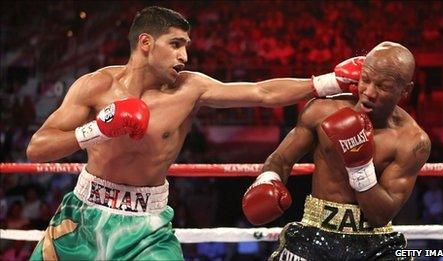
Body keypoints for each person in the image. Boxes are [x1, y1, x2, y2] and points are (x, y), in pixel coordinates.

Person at [26, 6, 364, 260]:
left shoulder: (190, 89)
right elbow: (37, 148)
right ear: (145, 42)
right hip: (82, 216)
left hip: (147, 227)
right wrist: (96, 130)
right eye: (175, 44)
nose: (184, 56)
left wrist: (328, 82)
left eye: (185, 46)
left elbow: (261, 93)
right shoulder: (94, 86)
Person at [242, 41, 431, 260]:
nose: (369, 92)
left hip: (374, 243)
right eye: (366, 79)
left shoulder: (412, 141)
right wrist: (268, 180)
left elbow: (380, 215)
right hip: (314, 234)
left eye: (383, 86)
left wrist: (359, 163)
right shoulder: (323, 111)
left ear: (405, 90)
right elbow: (281, 159)